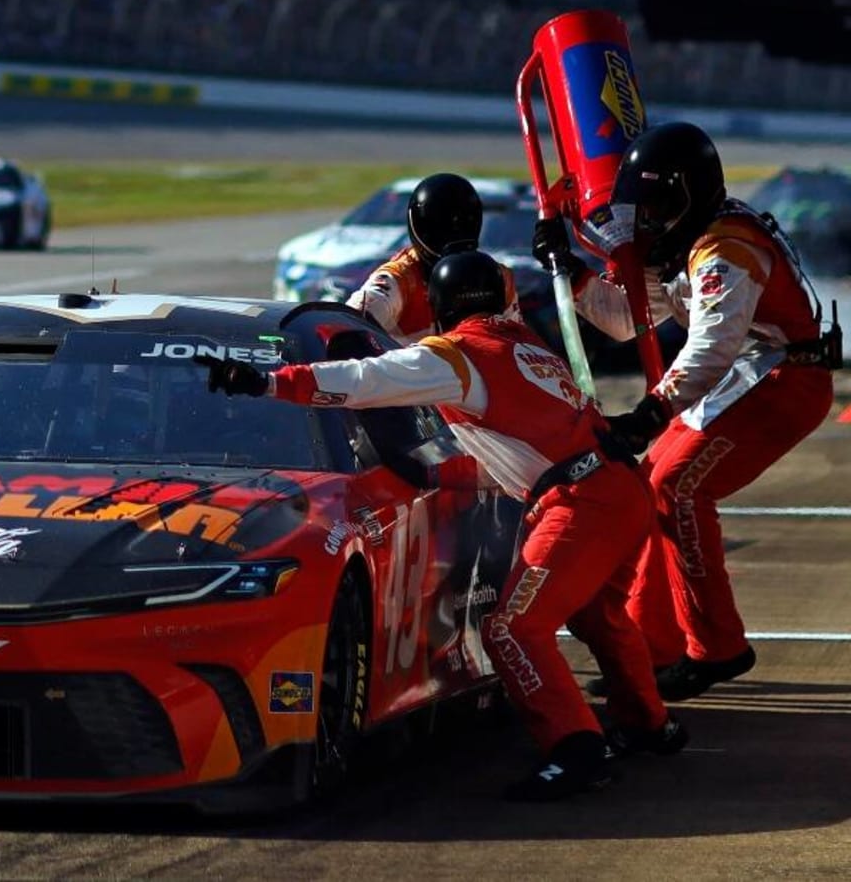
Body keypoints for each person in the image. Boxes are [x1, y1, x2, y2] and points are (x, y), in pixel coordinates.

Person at [199, 251, 685, 801]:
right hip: (614, 487)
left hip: (583, 501)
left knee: (512, 628)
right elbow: (518, 447)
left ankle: (577, 751)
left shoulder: (457, 354)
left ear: (444, 304)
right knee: (598, 614)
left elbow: (364, 381)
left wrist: (269, 383)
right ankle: (648, 724)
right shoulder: (526, 347)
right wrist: (439, 470)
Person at [535, 122, 838, 701]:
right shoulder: (697, 238)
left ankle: (717, 649)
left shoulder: (725, 251)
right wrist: (571, 273)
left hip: (784, 381)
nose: (646, 221)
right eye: (641, 208)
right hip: (757, 373)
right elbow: (629, 322)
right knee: (652, 485)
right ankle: (656, 646)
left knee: (678, 486)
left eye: (656, 207)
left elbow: (711, 347)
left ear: (688, 196)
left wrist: (652, 411)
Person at [346, 173, 519, 342]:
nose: (453, 236)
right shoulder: (398, 279)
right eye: (441, 228)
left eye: (462, 225)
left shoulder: (498, 278)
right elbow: (347, 327)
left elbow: (515, 344)